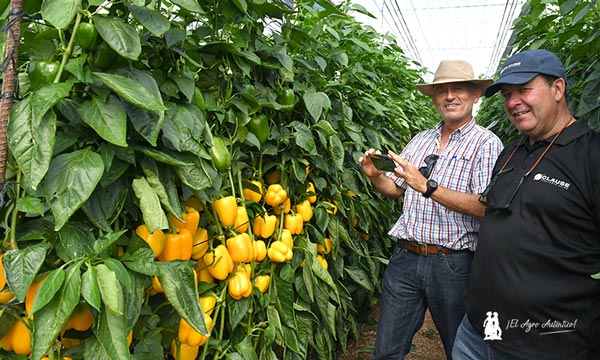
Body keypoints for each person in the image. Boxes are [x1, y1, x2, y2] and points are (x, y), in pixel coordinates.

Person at [452, 49, 600, 360]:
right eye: (507, 94)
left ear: (557, 89)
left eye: (524, 90)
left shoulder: (591, 156)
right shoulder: (511, 152)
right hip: (478, 329)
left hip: (545, 343)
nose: (512, 102)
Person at [359, 60, 503, 359]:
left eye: (459, 89)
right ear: (434, 98)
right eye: (442, 91)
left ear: (476, 95)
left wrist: (428, 187)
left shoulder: (486, 144)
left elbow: (486, 207)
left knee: (461, 349)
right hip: (405, 258)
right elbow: (395, 190)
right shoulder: (420, 139)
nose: (450, 96)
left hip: (453, 264)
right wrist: (374, 175)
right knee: (386, 350)